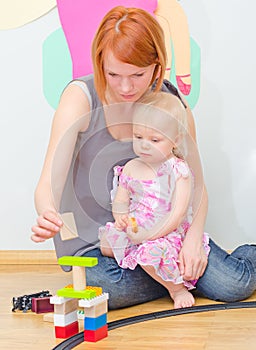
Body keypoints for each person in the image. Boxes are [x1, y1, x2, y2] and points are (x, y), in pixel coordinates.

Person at [31, 6, 256, 309]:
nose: (126, 87)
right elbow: (48, 184)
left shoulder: (174, 107)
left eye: (137, 75)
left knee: (233, 285)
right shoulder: (79, 99)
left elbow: (197, 187)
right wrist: (47, 213)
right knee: (110, 285)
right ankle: (173, 279)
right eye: (114, 74)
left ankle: (173, 272)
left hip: (164, 234)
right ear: (100, 64)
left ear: (156, 65)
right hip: (101, 244)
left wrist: (192, 241)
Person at [99, 92, 210, 308]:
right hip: (136, 228)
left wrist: (150, 235)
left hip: (165, 230)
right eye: (138, 137)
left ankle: (176, 289)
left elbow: (177, 215)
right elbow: (121, 201)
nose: (144, 145)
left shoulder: (178, 170)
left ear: (175, 140)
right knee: (105, 244)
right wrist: (121, 218)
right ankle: (157, 271)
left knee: (150, 252)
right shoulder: (131, 167)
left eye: (154, 139)